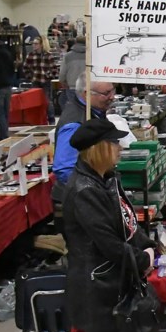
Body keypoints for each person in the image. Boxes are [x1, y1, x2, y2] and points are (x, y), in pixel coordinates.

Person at [62, 117, 156, 332]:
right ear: (100, 149)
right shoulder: (84, 190)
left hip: (111, 282)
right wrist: (143, 259)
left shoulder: (106, 180)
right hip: (95, 288)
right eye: (114, 143)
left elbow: (127, 223)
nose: (120, 148)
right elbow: (108, 243)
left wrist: (148, 243)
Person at [52, 77, 117, 223]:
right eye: (106, 93)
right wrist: (91, 192)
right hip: (77, 204)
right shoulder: (74, 123)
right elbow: (64, 168)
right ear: (87, 94)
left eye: (113, 90)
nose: (112, 97)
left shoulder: (94, 112)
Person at [22, 36, 57, 123]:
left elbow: (54, 69)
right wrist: (30, 77)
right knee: (35, 101)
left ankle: (51, 119)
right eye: (33, 43)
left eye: (36, 43)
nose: (34, 45)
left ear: (41, 44)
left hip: (45, 81)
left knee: (47, 101)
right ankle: (38, 119)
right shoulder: (30, 55)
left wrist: (47, 76)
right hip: (35, 81)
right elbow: (25, 67)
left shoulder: (48, 55)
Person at [58, 36, 86, 108]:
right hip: (88, 87)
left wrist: (63, 82)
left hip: (72, 87)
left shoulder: (68, 56)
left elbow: (62, 74)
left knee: (73, 109)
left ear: (75, 43)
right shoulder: (91, 55)